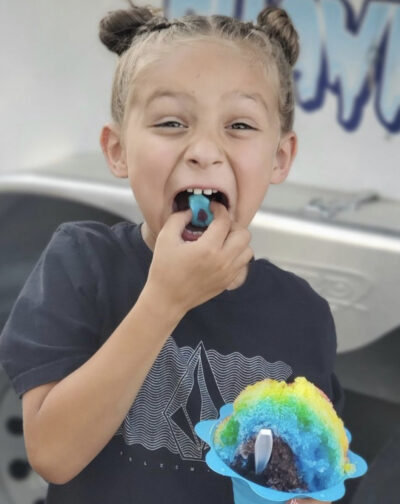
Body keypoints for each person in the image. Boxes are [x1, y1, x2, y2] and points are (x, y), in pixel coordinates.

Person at [0, 3, 343, 503]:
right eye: (170, 123)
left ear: (281, 156)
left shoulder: (304, 316)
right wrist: (165, 299)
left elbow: (300, 482)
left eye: (240, 126)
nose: (204, 149)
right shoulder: (80, 263)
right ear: (117, 150)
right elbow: (52, 453)